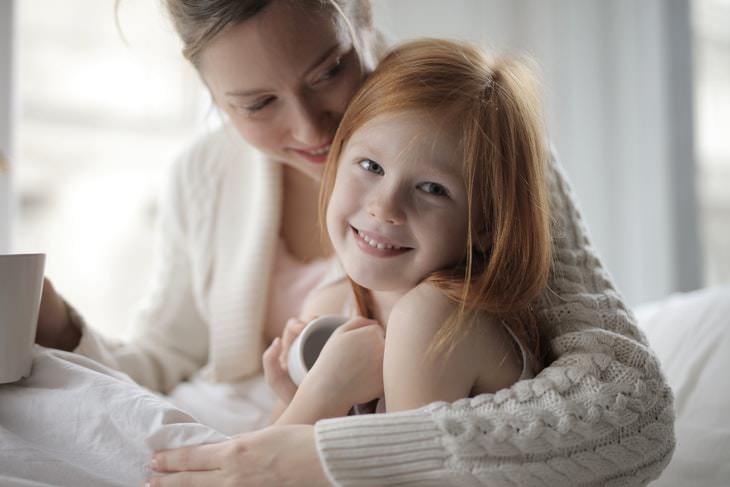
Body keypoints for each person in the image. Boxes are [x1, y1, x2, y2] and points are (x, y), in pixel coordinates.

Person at [33, 0, 674, 485]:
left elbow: (630, 408)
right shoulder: (204, 173)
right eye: (257, 104)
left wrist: (317, 445)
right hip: (240, 431)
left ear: (360, 10)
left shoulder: (472, 132)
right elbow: (162, 361)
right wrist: (58, 330)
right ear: (213, 98)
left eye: (329, 70)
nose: (310, 128)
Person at [262, 39, 551, 427]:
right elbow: (256, 463)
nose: (384, 207)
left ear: (486, 226)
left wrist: (323, 395)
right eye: (370, 165)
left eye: (432, 189)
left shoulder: (434, 318)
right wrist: (295, 397)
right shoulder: (332, 307)